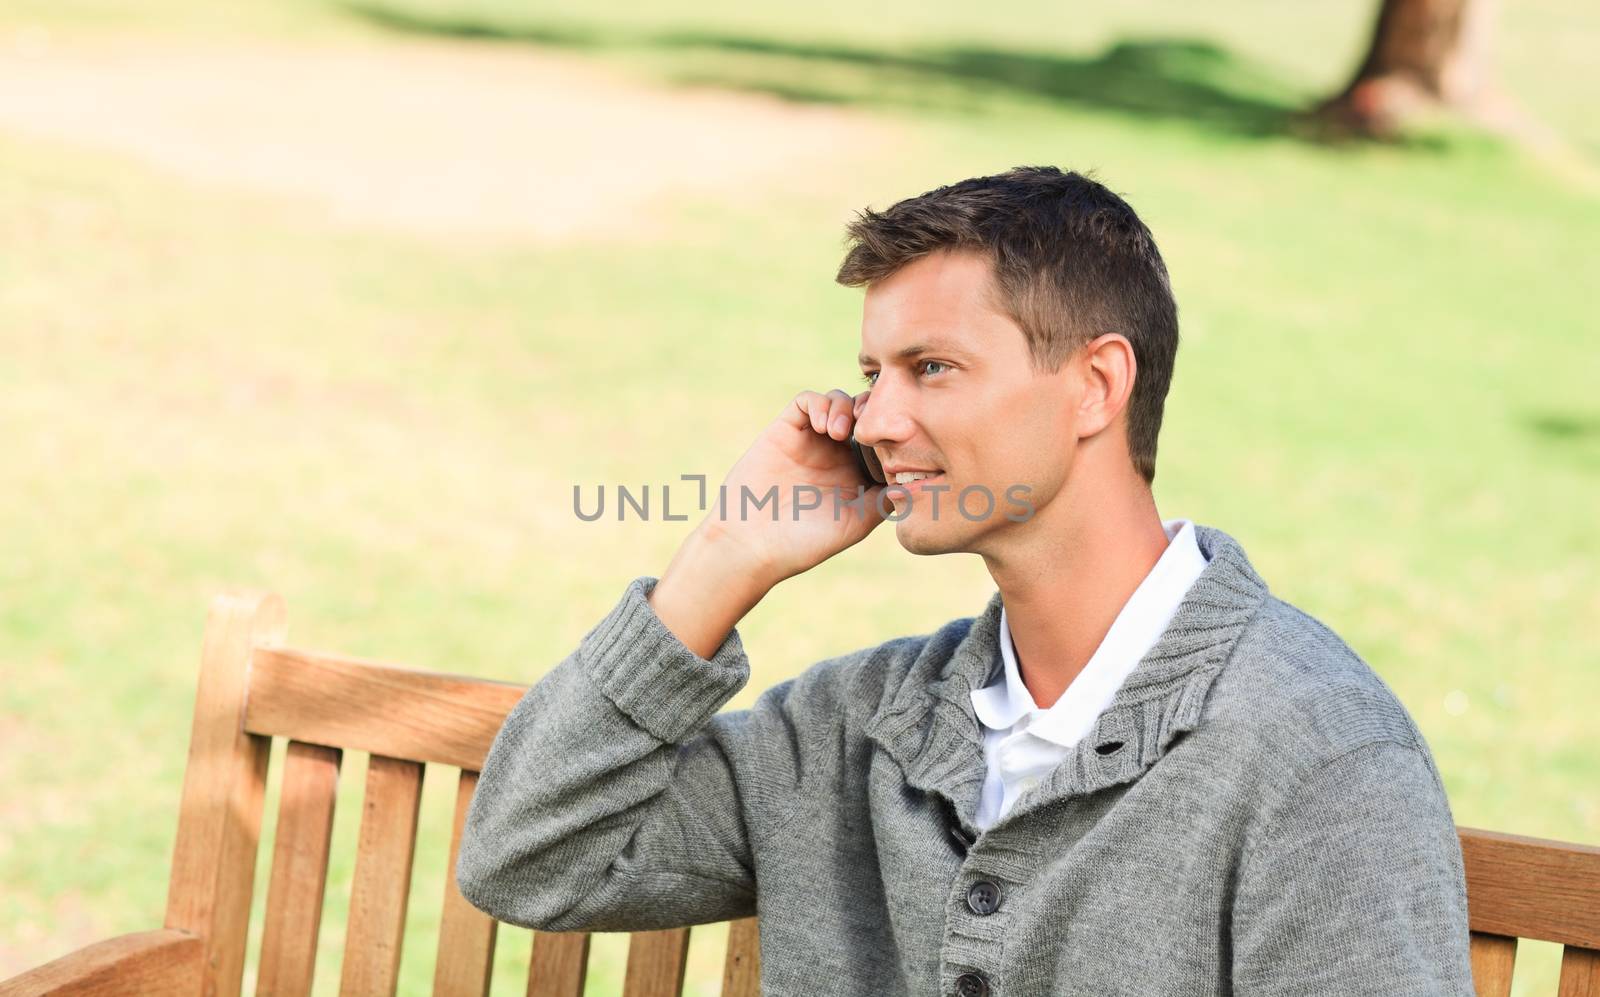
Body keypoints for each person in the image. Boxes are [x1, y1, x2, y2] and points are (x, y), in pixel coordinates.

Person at [456, 165, 1476, 996]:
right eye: (870, 376)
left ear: (1095, 384)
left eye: (930, 368)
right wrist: (725, 555)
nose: (874, 422)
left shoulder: (1317, 752)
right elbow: (528, 857)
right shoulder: (855, 725)